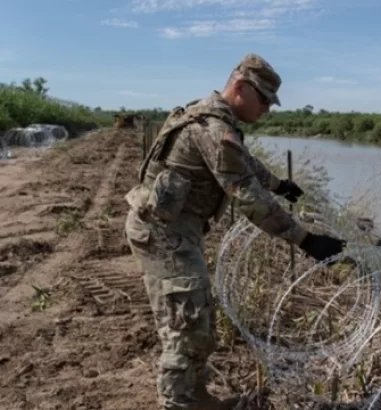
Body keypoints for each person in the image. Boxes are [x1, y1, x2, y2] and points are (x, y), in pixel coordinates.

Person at [123, 53, 346, 410]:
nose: (267, 110)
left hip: (173, 227)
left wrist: (278, 183)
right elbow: (247, 198)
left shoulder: (215, 119)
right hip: (163, 232)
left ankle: (193, 391)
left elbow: (243, 162)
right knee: (187, 321)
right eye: (264, 101)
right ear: (241, 87)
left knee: (194, 313)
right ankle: (180, 402)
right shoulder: (211, 128)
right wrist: (305, 239)